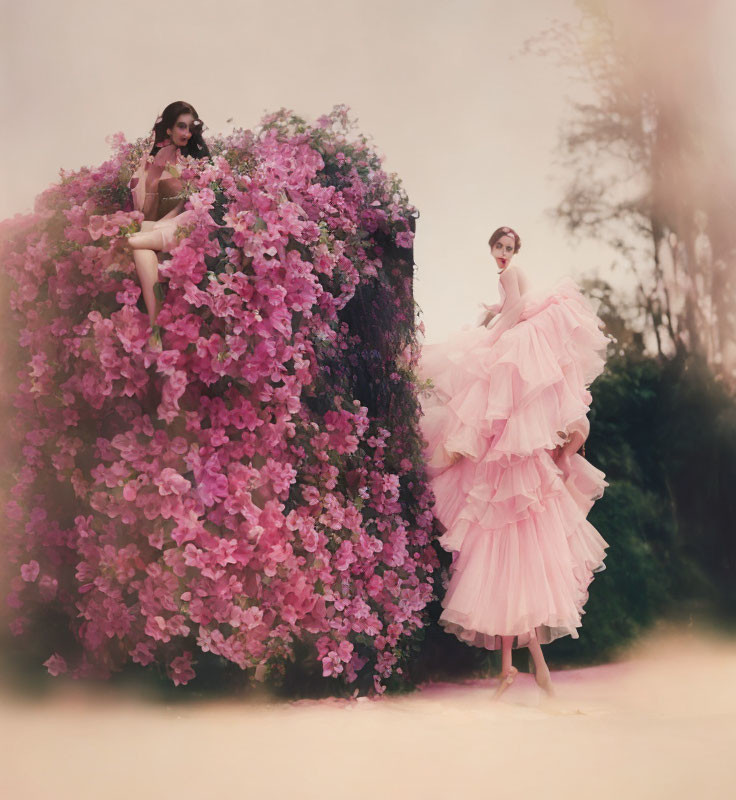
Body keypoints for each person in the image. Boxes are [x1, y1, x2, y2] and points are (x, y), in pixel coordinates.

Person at [417, 226, 611, 699]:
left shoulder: (513, 283)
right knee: (508, 585)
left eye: (508, 248)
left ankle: (527, 671)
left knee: (509, 580)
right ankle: (517, 670)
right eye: (498, 248)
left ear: (514, 252)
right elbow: (515, 308)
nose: (502, 255)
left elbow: (519, 308)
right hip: (508, 498)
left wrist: (495, 330)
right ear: (491, 249)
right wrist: (492, 315)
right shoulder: (513, 283)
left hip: (515, 496)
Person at [126, 101, 210, 341]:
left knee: (138, 241)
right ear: (169, 130)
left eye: (190, 127)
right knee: (143, 239)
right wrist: (154, 176)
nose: (186, 133)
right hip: (161, 225)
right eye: (180, 127)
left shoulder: (199, 160)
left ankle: (155, 327)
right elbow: (147, 214)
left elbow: (200, 203)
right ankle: (155, 328)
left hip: (189, 223)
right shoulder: (152, 161)